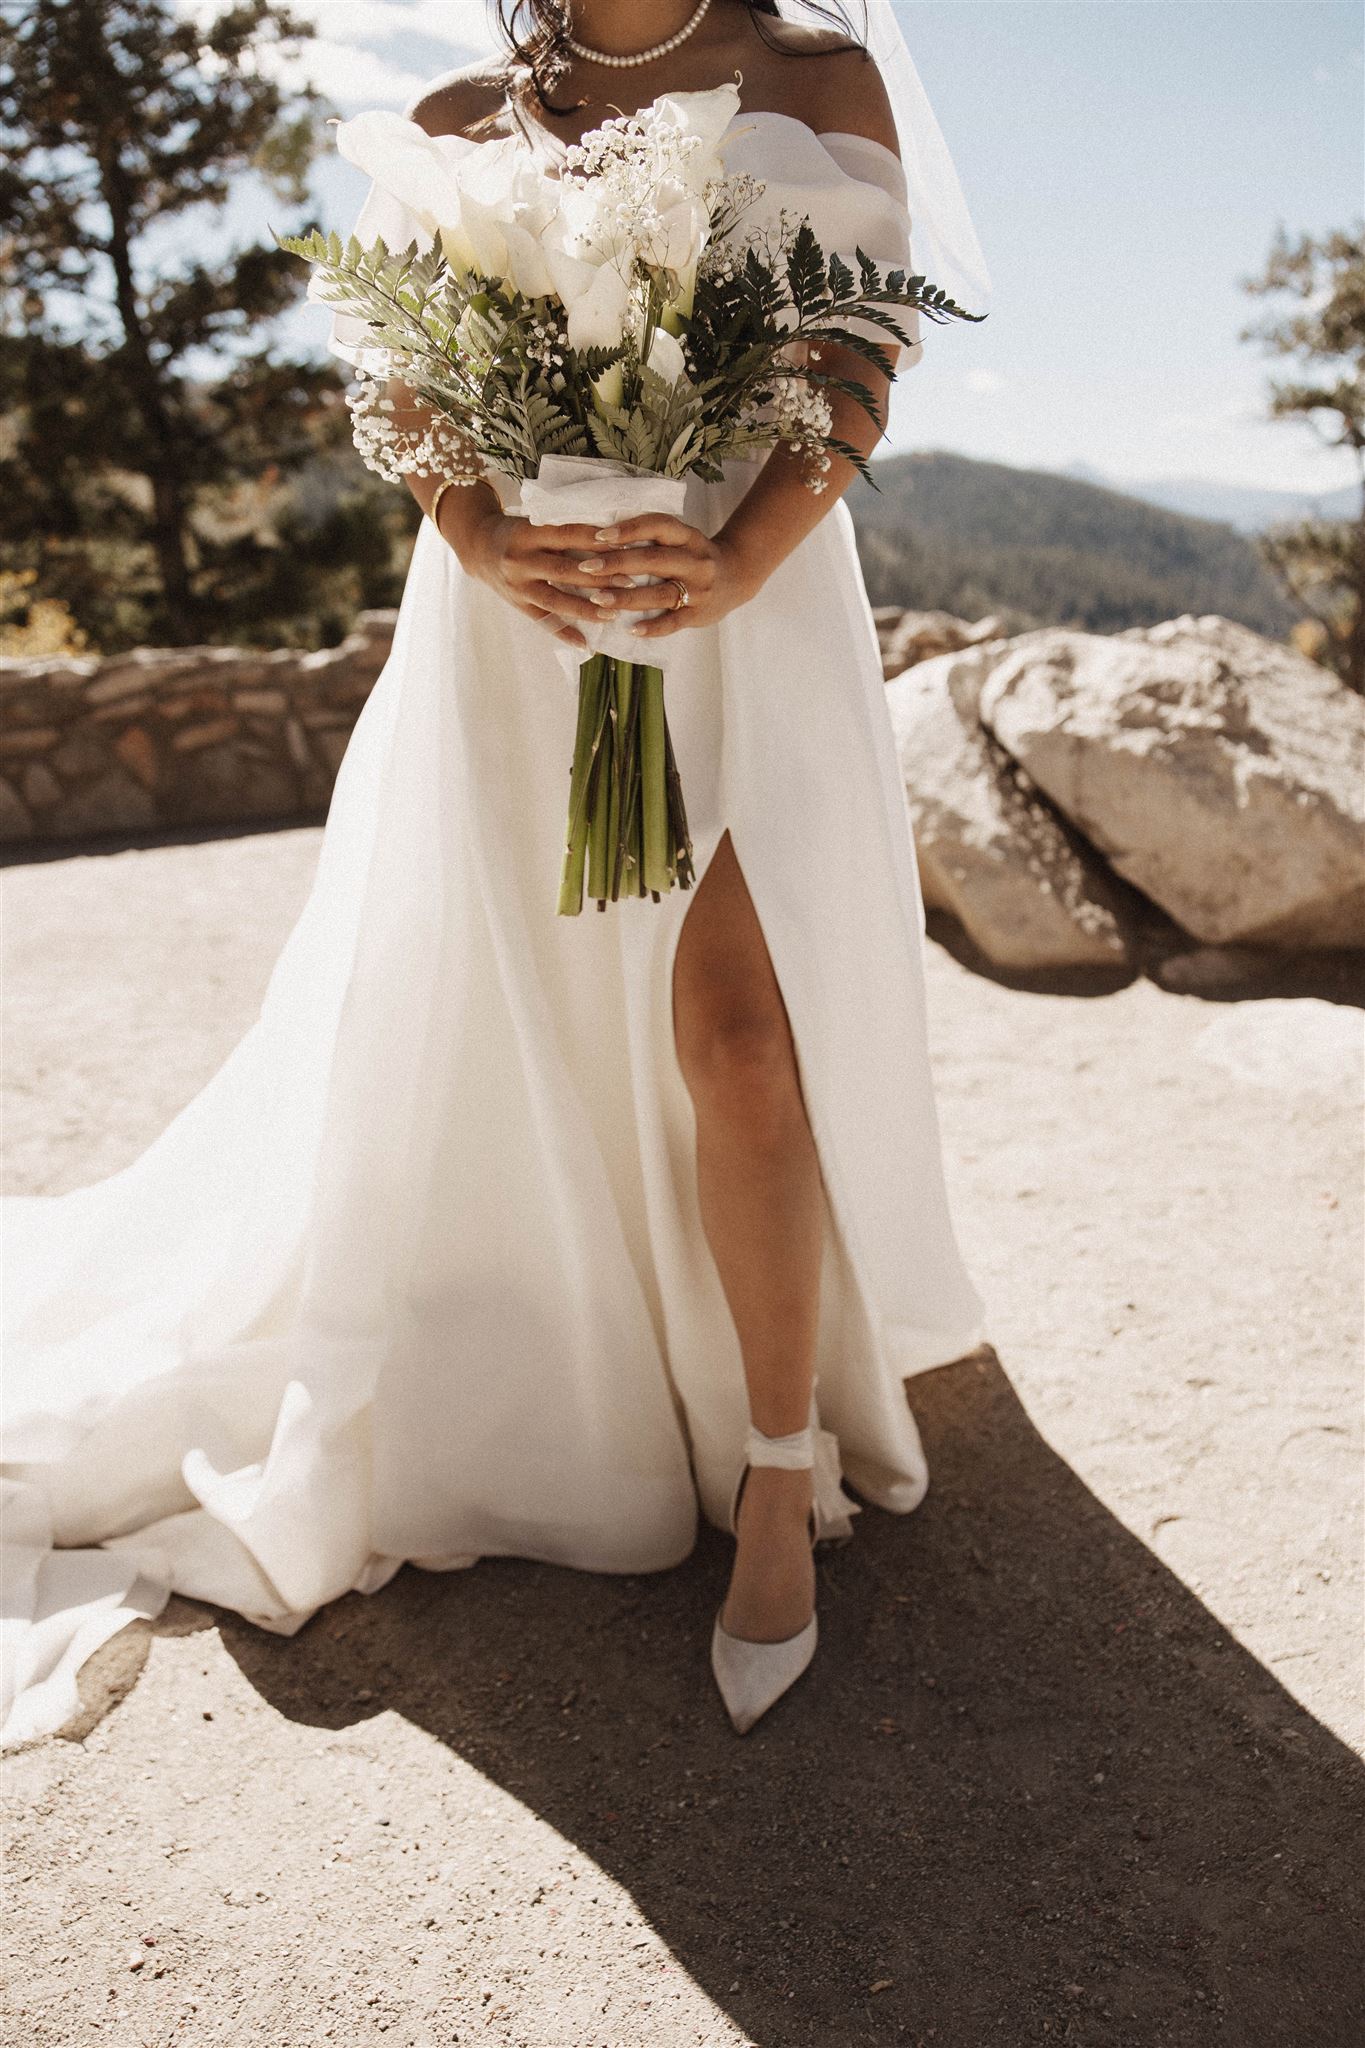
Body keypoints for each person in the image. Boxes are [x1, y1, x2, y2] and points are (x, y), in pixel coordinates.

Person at [1, 0, 989, 1747]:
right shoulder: (457, 115)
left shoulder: (816, 78)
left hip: (745, 614)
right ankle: (579, 1388)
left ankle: (777, 1462)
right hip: (519, 633)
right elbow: (404, 403)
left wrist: (736, 561)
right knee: (518, 1021)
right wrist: (491, 540)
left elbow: (853, 367)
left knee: (741, 1033)